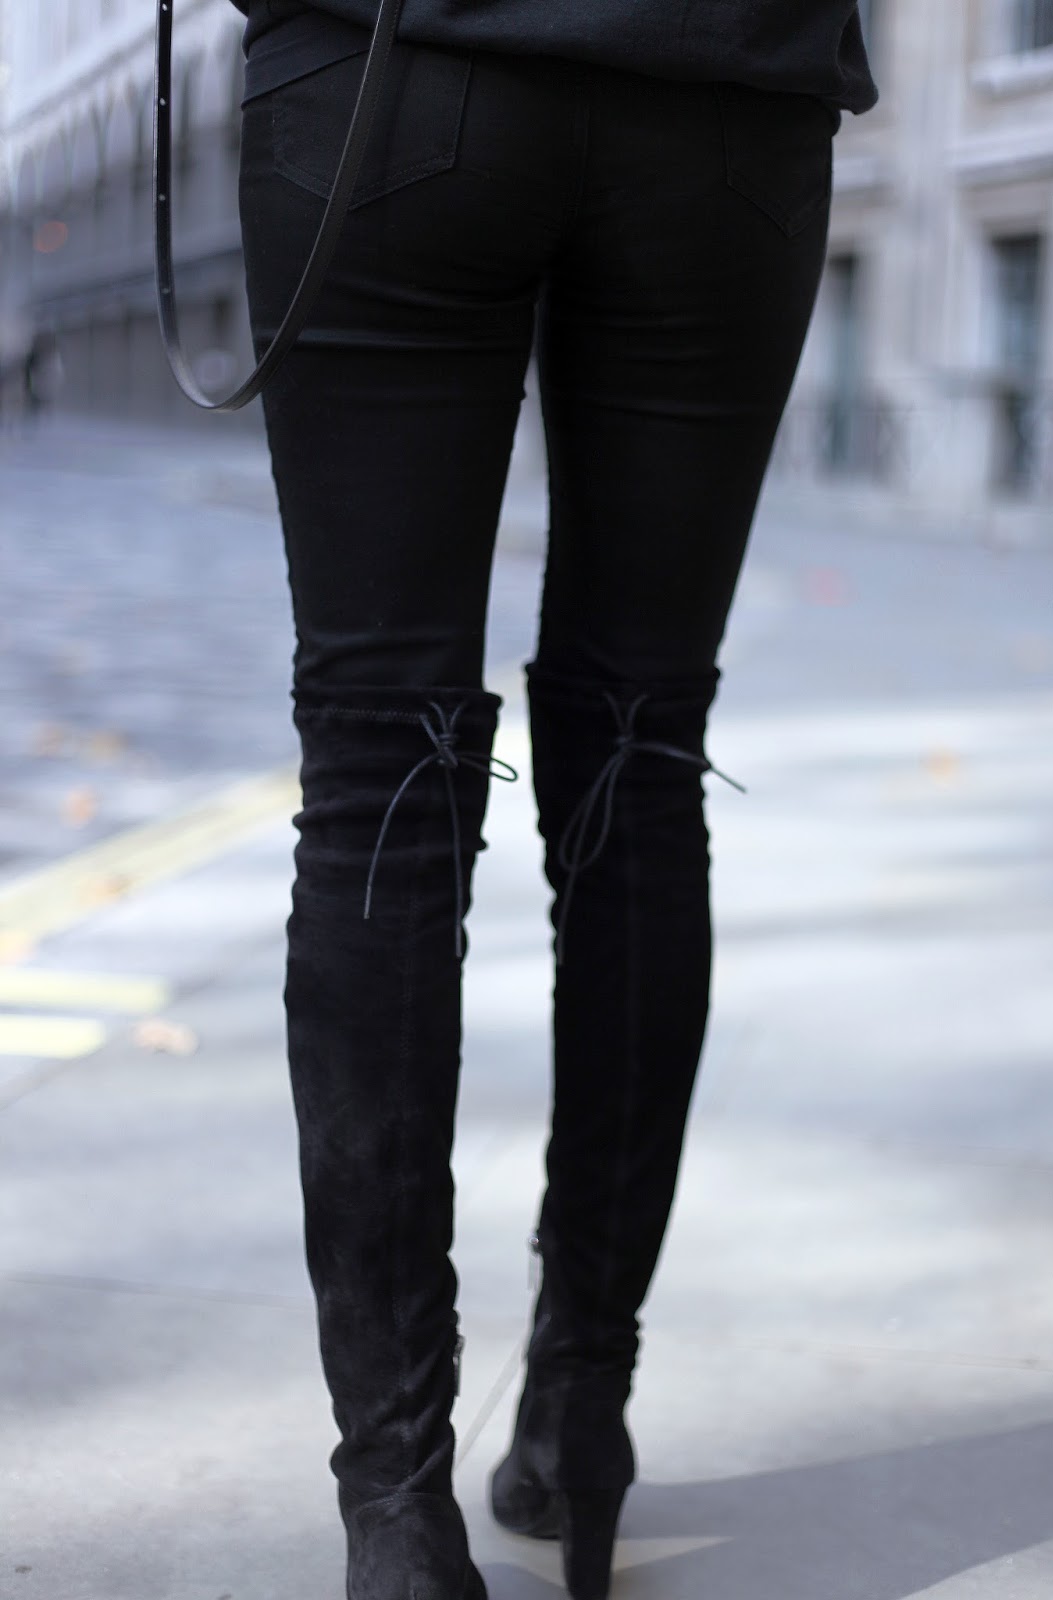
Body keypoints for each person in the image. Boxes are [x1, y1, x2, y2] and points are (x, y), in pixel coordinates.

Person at [230, 3, 877, 1597]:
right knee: (640, 753)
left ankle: (396, 1507)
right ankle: (582, 1407)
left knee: (379, 766)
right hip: (728, 97)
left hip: (394, 71)